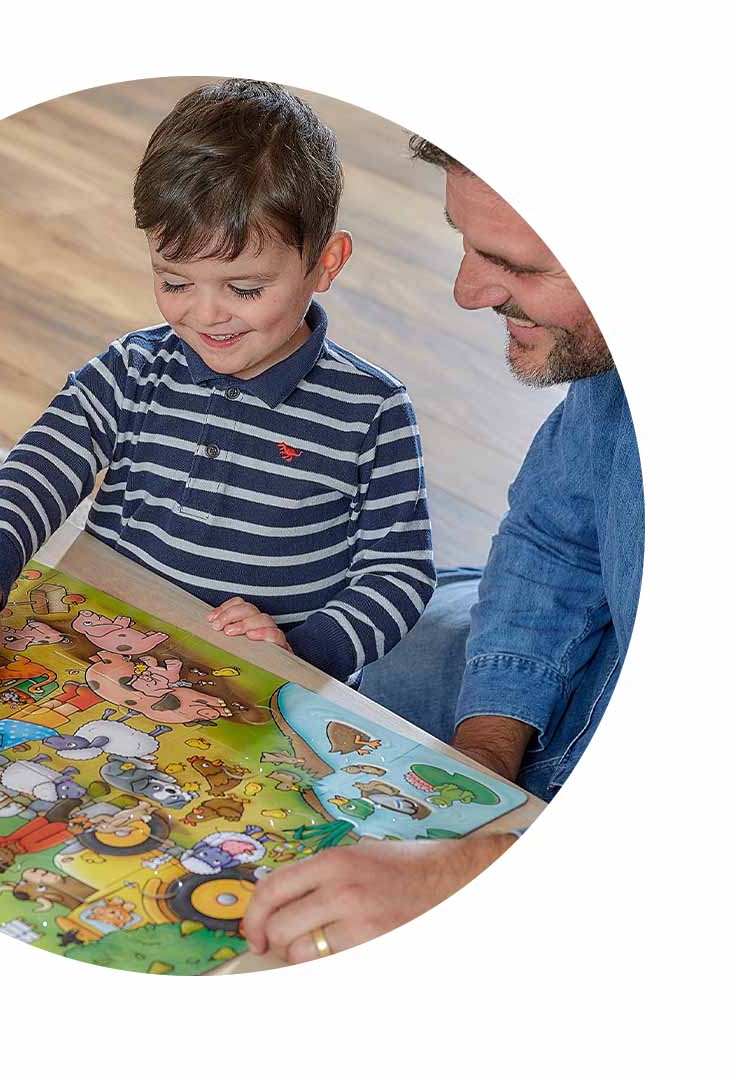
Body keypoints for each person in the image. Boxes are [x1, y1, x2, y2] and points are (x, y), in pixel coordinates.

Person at [241, 135, 644, 964]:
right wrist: (482, 756)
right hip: (602, 655)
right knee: (384, 651)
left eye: (518, 267)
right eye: (467, 243)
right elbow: (557, 541)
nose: (467, 293)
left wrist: (470, 879)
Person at [0, 80, 435, 703]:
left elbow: (399, 573)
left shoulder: (373, 410)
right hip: (104, 652)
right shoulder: (132, 368)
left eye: (245, 289)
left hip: (265, 691)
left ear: (326, 263)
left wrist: (302, 653)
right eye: (174, 283)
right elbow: (35, 472)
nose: (206, 314)